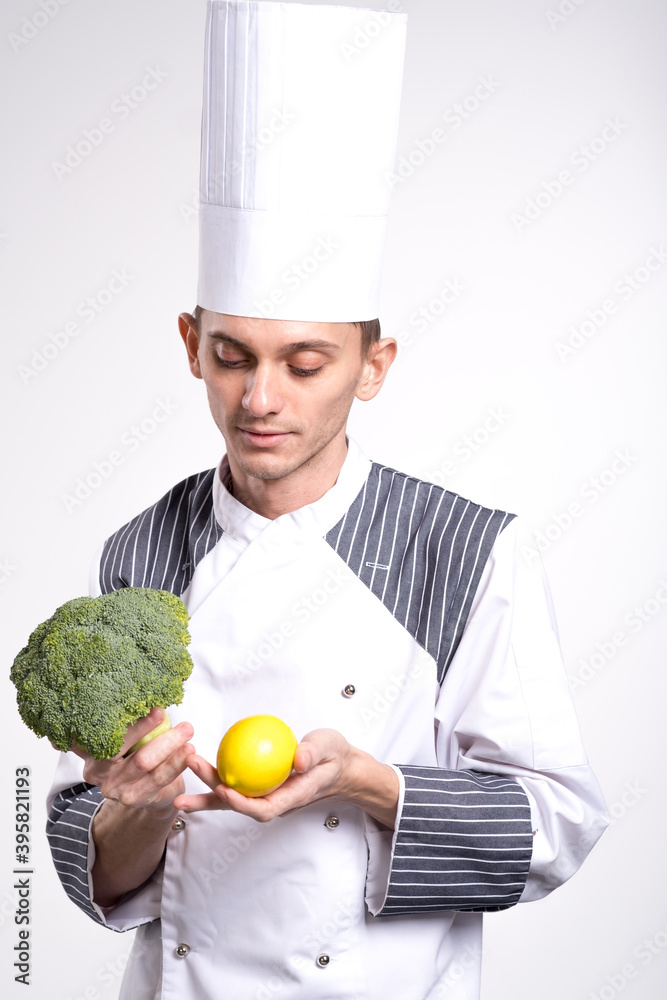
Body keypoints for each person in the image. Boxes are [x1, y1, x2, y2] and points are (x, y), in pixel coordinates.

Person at [46, 3, 608, 998]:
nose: (260, 399)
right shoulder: (140, 551)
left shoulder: (462, 549)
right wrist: (137, 804)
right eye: (232, 356)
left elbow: (556, 825)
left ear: (373, 365)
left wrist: (363, 783)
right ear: (191, 345)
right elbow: (93, 867)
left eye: (305, 364)